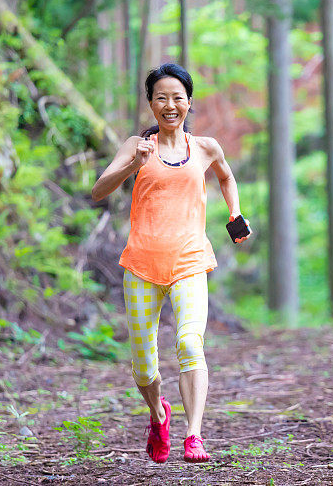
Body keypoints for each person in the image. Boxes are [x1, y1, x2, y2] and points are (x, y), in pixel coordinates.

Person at [91, 63, 251, 464]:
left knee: (189, 343)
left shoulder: (205, 148)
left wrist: (234, 214)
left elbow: (226, 177)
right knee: (144, 366)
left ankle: (193, 435)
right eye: (161, 97)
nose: (170, 105)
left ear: (189, 103)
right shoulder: (135, 146)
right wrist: (133, 163)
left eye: (177, 97)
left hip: (190, 261)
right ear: (150, 103)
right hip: (142, 266)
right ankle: (159, 414)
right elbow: (98, 191)